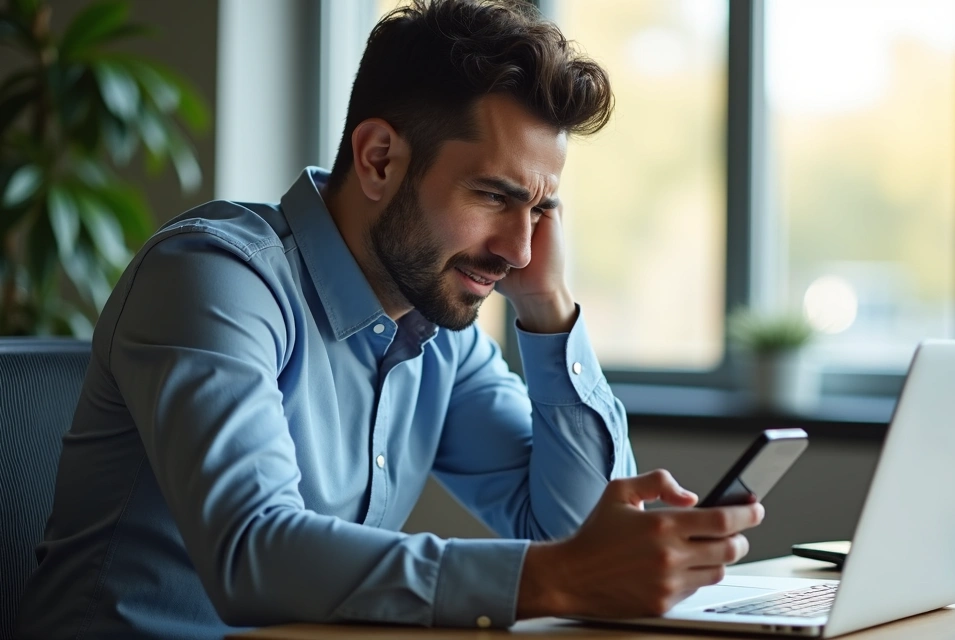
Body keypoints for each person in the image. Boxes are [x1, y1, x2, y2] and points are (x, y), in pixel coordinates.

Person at [17, 1, 763, 638]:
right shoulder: (213, 278)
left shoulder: (440, 329)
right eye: (495, 196)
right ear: (378, 159)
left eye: (542, 209)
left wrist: (545, 306)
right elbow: (252, 553)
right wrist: (555, 577)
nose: (518, 247)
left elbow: (570, 533)